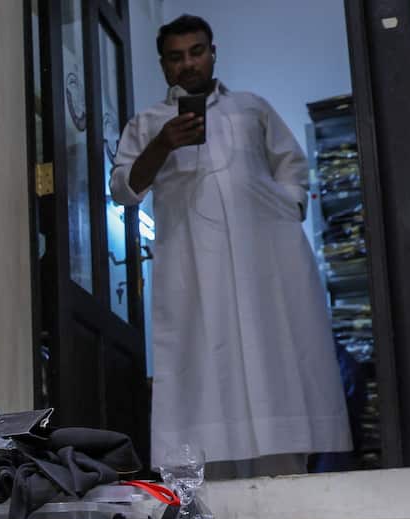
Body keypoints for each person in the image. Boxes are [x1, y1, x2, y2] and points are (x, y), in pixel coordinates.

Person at [110, 14, 351, 477]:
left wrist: (286, 207)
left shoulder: (250, 108)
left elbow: (291, 165)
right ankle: (210, 495)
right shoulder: (149, 123)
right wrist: (162, 145)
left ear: (213, 52)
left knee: (273, 353)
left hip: (264, 263)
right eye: (176, 57)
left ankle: (285, 481)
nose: (188, 64)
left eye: (196, 52)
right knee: (202, 364)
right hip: (192, 268)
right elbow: (124, 188)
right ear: (163, 65)